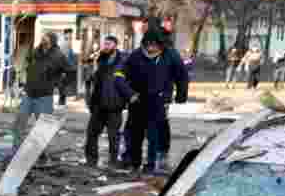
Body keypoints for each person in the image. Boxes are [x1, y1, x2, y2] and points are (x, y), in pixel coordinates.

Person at [117, 28, 189, 175]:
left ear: (160, 45)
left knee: (154, 135)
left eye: (154, 45)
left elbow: (182, 76)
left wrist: (181, 95)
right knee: (135, 135)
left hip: (158, 100)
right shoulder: (135, 56)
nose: (151, 48)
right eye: (148, 45)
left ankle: (150, 164)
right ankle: (134, 163)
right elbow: (119, 76)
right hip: (137, 100)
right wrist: (129, 94)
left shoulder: (170, 55)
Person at [11, 32, 68, 151]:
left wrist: (59, 85)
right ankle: (16, 150)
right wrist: (22, 81)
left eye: (46, 38)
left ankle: (42, 153)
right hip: (29, 94)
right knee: (19, 122)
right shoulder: (35, 52)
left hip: (44, 97)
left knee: (43, 126)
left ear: (52, 41)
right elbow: (27, 64)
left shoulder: (58, 56)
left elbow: (70, 72)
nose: (43, 39)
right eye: (42, 37)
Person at [83, 35, 132, 169]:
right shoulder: (99, 60)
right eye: (104, 44)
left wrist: (127, 97)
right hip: (98, 104)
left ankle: (113, 161)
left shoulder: (124, 60)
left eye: (108, 44)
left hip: (114, 105)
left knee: (113, 136)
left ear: (115, 45)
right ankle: (91, 160)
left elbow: (129, 80)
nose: (105, 46)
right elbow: (91, 80)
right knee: (92, 133)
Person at [59, 37, 77, 106]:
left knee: (62, 84)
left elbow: (72, 59)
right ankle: (62, 99)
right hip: (65, 69)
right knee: (62, 84)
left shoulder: (69, 50)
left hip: (66, 69)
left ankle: (62, 99)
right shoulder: (66, 51)